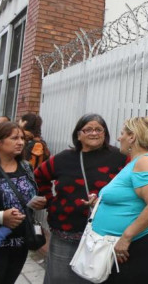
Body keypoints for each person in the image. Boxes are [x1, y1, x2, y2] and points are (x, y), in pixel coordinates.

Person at [35, 113, 127, 284]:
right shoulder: (63, 159)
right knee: (60, 278)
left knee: (96, 277)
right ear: (78, 135)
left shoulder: (119, 157)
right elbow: (38, 176)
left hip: (102, 235)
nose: (94, 133)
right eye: (88, 129)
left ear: (105, 134)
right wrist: (49, 200)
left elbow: (131, 186)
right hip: (66, 232)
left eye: (99, 129)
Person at [90, 116, 148, 283]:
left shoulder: (145, 162)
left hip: (138, 247)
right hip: (123, 248)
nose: (119, 138)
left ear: (132, 137)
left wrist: (126, 236)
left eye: (122, 134)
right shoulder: (135, 162)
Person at [0, 121, 46, 284]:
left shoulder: (25, 166)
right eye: (14, 138)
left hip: (22, 241)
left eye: (22, 138)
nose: (20, 142)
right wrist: (0, 218)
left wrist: (36, 203)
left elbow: (29, 196)